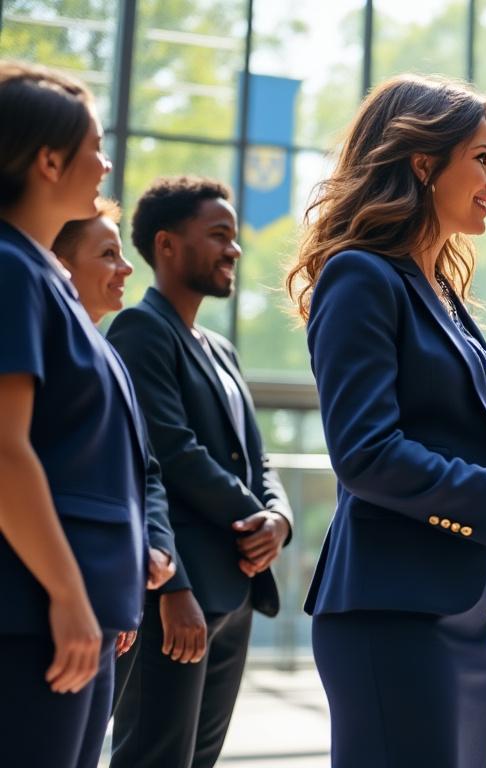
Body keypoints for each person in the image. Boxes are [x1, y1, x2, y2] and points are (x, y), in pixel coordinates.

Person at [287, 74, 486, 768]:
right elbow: (367, 454)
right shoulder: (361, 276)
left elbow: (463, 446)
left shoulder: (445, 294)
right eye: (483, 158)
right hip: (392, 614)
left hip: (460, 610)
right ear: (424, 164)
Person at [107, 177, 294, 768]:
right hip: (177, 597)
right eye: (218, 235)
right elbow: (168, 457)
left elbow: (259, 459)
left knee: (200, 759)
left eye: (234, 238)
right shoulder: (140, 332)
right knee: (153, 755)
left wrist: (281, 519)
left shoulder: (221, 348)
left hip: (236, 591)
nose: (233, 249)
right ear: (166, 245)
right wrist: (175, 586)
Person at [0, 60, 142, 768]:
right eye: (94, 145)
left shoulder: (42, 276)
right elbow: (5, 451)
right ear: (49, 160)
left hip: (72, 611)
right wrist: (67, 595)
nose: (106, 160)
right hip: (34, 615)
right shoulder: (9, 269)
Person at [49, 200, 182, 682]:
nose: (127, 266)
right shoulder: (54, 353)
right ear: (61, 266)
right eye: (108, 254)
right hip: (62, 604)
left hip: (112, 603)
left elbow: (144, 470)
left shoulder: (111, 356)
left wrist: (154, 552)